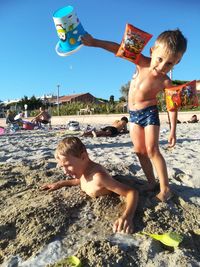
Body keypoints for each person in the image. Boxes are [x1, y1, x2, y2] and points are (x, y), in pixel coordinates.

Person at [81, 28, 187, 202]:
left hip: (150, 114)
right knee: (139, 151)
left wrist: (173, 130)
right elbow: (117, 48)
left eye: (169, 64)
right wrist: (95, 43)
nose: (161, 67)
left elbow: (172, 107)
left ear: (177, 62)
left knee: (152, 150)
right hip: (133, 114)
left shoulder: (166, 81)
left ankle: (165, 188)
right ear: (152, 51)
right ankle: (152, 182)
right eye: (159, 59)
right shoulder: (141, 61)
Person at [41, 136, 138, 234]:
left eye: (68, 165)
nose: (65, 172)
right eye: (62, 167)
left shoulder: (99, 177)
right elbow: (78, 181)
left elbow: (131, 192)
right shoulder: (82, 171)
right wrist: (59, 183)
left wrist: (127, 216)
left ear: (83, 157)